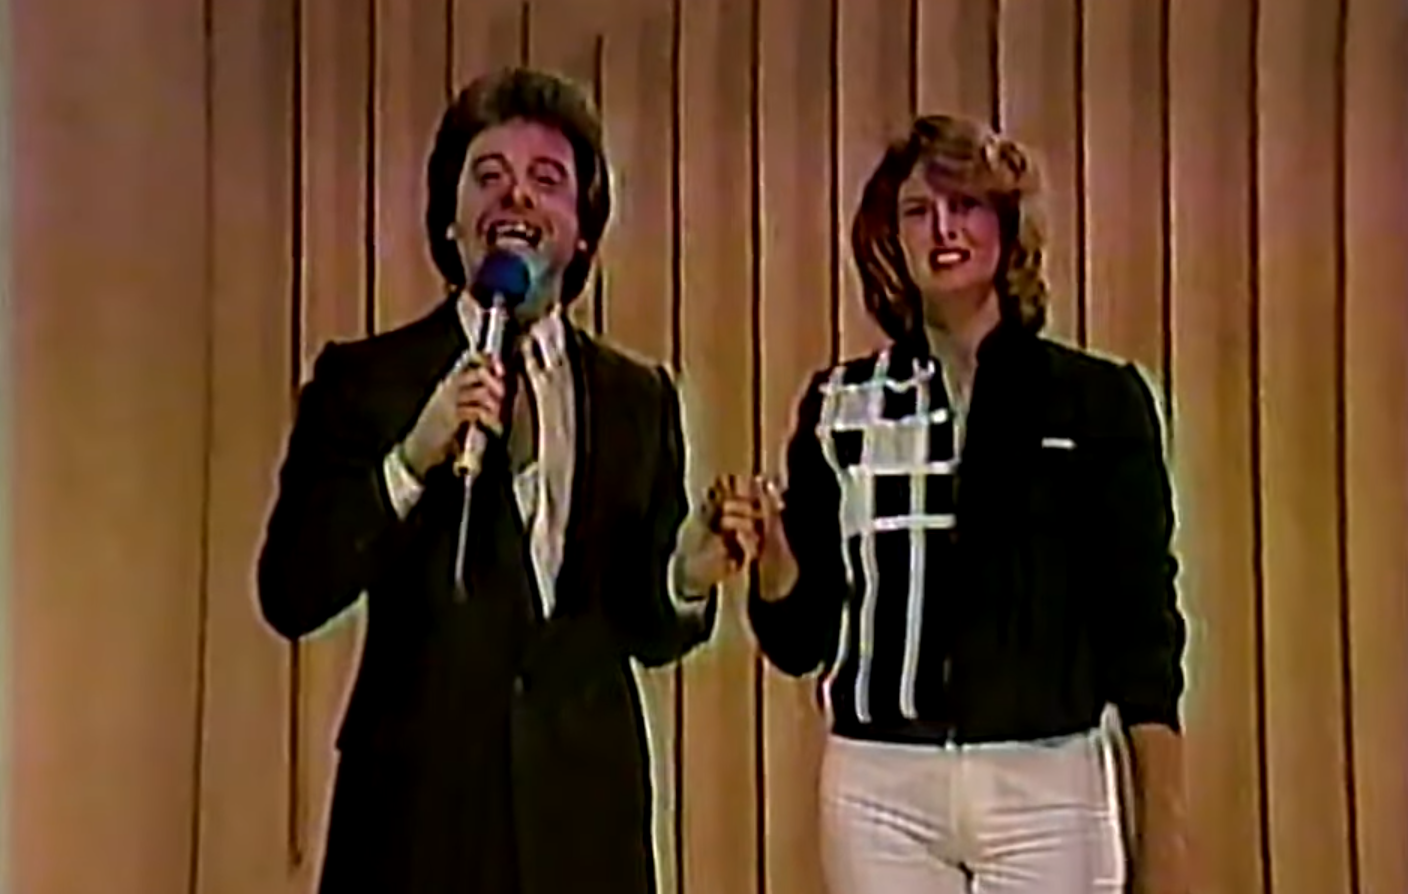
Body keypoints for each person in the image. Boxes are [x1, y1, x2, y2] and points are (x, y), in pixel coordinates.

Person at [256, 67, 757, 894]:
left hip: (584, 824)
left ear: (584, 231)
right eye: (488, 176)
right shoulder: (366, 379)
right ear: (449, 221)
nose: (516, 196)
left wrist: (686, 576)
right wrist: (408, 462)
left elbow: (647, 629)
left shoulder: (639, 399)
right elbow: (291, 591)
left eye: (546, 180)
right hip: (416, 822)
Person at [740, 115, 1189, 893]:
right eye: (919, 211)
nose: (942, 229)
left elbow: (1143, 629)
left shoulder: (1096, 402)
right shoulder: (840, 405)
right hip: (880, 788)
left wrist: (1167, 847)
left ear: (1007, 228)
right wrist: (773, 554)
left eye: (966, 205)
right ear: (890, 241)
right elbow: (801, 637)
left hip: (1048, 783)